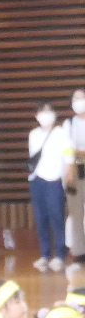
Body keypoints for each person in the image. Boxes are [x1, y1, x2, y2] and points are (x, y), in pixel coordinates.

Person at [28, 103, 73, 271]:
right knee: (41, 219)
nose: (45, 115)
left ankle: (60, 254)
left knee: (56, 217)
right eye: (42, 111)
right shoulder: (33, 134)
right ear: (36, 115)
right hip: (37, 179)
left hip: (54, 180)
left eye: (49, 111)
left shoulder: (61, 133)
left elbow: (68, 155)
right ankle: (45, 254)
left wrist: (69, 173)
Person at [70, 89, 85, 264]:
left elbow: (73, 150)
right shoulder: (69, 123)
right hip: (74, 170)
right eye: (75, 99)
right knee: (76, 212)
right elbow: (66, 150)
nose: (78, 102)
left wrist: (77, 151)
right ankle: (79, 251)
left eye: (81, 98)